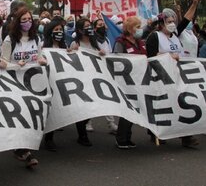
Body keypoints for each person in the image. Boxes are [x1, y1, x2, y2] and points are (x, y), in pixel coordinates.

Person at [145, 0, 200, 148]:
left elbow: (187, 18)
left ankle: (186, 136)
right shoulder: (154, 37)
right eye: (168, 22)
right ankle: (158, 133)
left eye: (173, 22)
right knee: (162, 106)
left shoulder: (175, 34)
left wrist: (194, 4)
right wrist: (169, 56)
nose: (172, 24)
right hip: (160, 77)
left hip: (177, 76)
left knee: (183, 103)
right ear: (161, 23)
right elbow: (151, 56)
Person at [0, 7, 46, 167]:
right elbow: (3, 63)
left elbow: (40, 56)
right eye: (23, 20)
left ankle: (23, 147)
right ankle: (23, 150)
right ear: (17, 22)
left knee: (32, 115)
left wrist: (42, 60)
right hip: (14, 83)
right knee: (21, 115)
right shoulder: (10, 40)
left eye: (29, 19)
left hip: (33, 83)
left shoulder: (37, 39)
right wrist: (15, 65)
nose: (27, 22)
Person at [69, 17, 105, 146]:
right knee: (82, 108)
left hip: (94, 79)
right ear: (79, 30)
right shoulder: (75, 44)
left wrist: (102, 54)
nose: (89, 28)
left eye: (90, 25)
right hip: (80, 80)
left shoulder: (95, 43)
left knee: (92, 106)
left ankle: (83, 128)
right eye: (86, 26)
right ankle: (82, 135)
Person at [112, 16, 146, 149]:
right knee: (128, 110)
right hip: (126, 81)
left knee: (135, 109)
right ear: (130, 29)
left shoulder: (140, 42)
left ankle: (127, 136)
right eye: (137, 27)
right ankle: (121, 138)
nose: (140, 29)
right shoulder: (121, 42)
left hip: (139, 80)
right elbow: (117, 60)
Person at [42, 17, 67, 151]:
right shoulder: (43, 46)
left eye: (61, 29)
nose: (59, 32)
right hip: (46, 82)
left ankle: (49, 138)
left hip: (60, 82)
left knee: (55, 109)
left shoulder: (64, 46)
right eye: (56, 30)